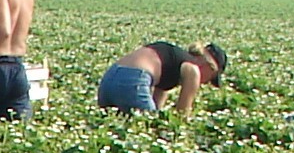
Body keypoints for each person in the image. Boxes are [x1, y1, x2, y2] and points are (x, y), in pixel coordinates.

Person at [97, 40, 229, 117]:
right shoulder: (192, 69)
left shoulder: (171, 61)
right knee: (146, 128)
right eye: (210, 78)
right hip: (133, 81)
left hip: (109, 80)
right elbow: (182, 113)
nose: (205, 82)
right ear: (209, 66)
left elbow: (156, 107)